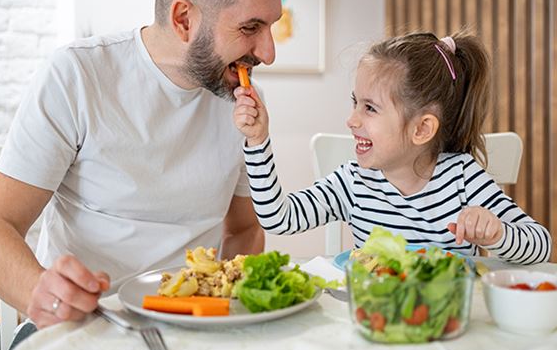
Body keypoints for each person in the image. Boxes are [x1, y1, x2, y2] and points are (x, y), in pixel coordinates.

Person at [0, 0, 283, 330]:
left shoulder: (241, 101)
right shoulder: (78, 75)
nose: (269, 52)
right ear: (184, 19)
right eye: (250, 28)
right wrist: (40, 292)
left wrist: (223, 303)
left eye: (270, 27)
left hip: (194, 325)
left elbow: (244, 229)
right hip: (84, 323)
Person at [234, 32, 552, 264]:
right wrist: (258, 141)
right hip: (376, 322)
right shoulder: (353, 181)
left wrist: (497, 234)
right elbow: (279, 218)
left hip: (445, 325)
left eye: (370, 108)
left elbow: (541, 245)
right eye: (355, 103)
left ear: (421, 129)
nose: (351, 120)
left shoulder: (462, 178)